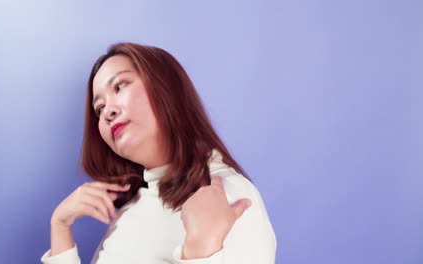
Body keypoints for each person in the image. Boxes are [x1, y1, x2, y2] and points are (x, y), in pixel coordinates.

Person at [40, 42, 276, 264]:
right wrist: (59, 225)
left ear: (165, 88)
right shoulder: (132, 210)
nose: (108, 111)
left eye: (120, 86)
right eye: (99, 108)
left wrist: (201, 250)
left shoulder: (232, 195)